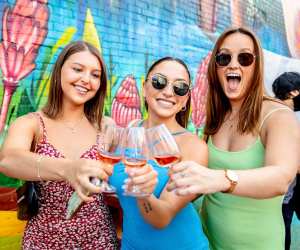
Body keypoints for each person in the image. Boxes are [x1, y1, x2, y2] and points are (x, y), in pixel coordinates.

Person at [0, 41, 156, 249]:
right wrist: (68, 169)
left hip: (99, 240)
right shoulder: (31, 124)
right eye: (77, 69)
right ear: (60, 70)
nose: (86, 79)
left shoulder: (105, 126)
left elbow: (121, 172)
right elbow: (8, 160)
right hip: (44, 241)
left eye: (95, 74)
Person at [168, 27, 300, 250]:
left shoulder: (277, 115)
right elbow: (203, 181)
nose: (233, 64)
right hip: (207, 239)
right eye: (224, 57)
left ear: (256, 66)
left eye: (245, 58)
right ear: (216, 67)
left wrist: (220, 179)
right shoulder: (217, 115)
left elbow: (281, 178)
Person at [110, 57, 209, 249]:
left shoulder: (193, 146)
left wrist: (142, 192)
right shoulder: (127, 132)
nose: (168, 92)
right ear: (144, 87)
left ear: (185, 100)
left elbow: (161, 217)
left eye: (179, 87)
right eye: (159, 82)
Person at [272, 71, 300, 250]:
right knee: (282, 235)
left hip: (290, 191)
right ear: (294, 93)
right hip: (282, 194)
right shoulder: (281, 117)